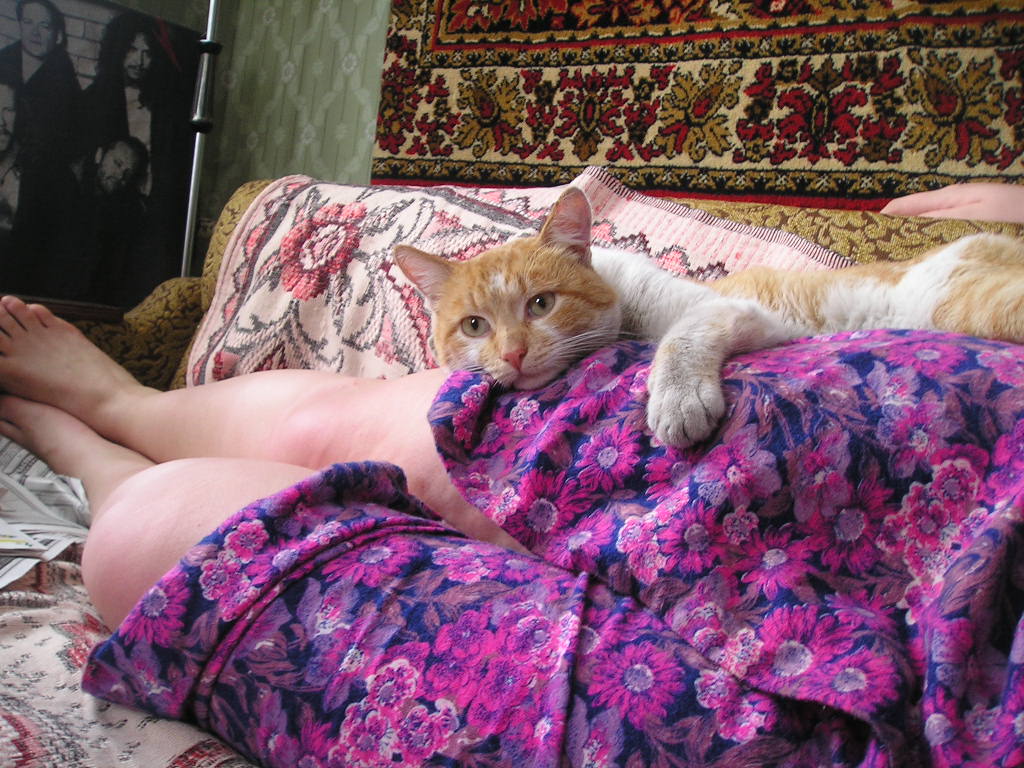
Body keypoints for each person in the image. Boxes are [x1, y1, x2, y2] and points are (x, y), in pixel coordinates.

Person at [80, 11, 195, 306]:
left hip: (152, 218)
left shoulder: (165, 106)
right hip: (104, 219)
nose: (139, 61)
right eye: (132, 49)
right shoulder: (95, 99)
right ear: (118, 49)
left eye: (147, 53)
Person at [0, 0, 80, 173]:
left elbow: (70, 140)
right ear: (20, 25)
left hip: (38, 172)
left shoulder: (65, 78)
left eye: (44, 26)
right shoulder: (3, 60)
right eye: (28, 22)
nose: (35, 33)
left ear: (57, 35)